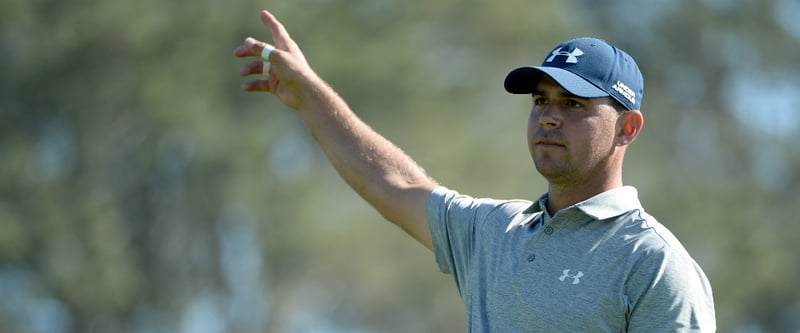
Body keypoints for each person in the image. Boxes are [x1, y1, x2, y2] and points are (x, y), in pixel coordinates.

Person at [234, 9, 716, 332]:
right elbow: (393, 183)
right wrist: (310, 97)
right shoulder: (494, 232)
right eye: (541, 101)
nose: (549, 115)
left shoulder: (653, 264)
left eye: (573, 103)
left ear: (627, 127)